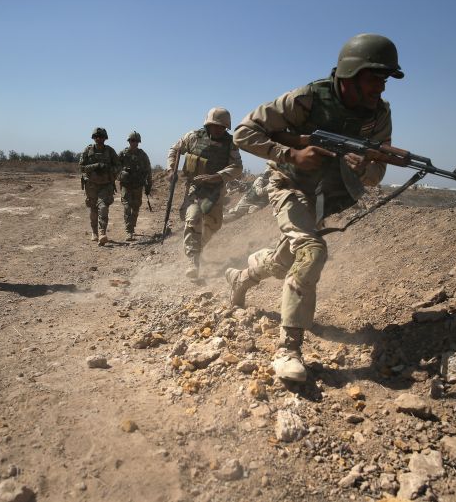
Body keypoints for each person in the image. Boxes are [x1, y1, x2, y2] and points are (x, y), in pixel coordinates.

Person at [225, 33, 404, 383]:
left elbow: (377, 173)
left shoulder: (379, 115)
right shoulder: (306, 99)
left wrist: (362, 167)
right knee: (312, 250)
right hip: (287, 183)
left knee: (285, 261)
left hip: (323, 196)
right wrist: (290, 154)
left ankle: (241, 278)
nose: (380, 89)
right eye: (374, 79)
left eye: (384, 81)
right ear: (352, 74)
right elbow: (244, 132)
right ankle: (287, 349)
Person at [167, 108, 243, 278]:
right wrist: (171, 169)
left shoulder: (230, 144)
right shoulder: (193, 137)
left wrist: (216, 177)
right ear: (208, 124)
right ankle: (193, 260)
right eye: (215, 126)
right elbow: (175, 150)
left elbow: (237, 167)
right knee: (193, 218)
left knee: (214, 224)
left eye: (223, 127)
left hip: (216, 189)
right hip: (195, 187)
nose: (219, 130)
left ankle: (198, 247)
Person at [79, 127, 120, 245]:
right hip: (91, 184)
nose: (99, 139)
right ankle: (94, 232)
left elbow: (118, 167)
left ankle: (102, 232)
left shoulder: (110, 151)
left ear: (105, 138)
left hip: (106, 184)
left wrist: (108, 169)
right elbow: (81, 167)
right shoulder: (88, 151)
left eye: (101, 137)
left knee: (103, 207)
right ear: (93, 138)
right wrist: (96, 166)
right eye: (97, 137)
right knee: (93, 208)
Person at [117, 131, 153, 241]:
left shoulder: (142, 155)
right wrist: (121, 174)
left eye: (136, 141)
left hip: (138, 186)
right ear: (129, 141)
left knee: (136, 208)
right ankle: (129, 231)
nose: (134, 143)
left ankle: (132, 226)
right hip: (126, 185)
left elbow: (148, 170)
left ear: (138, 142)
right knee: (127, 207)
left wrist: (148, 185)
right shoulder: (123, 154)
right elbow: (115, 167)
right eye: (132, 141)